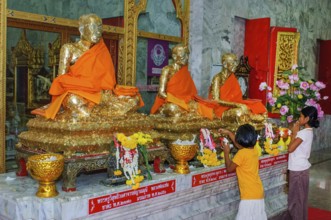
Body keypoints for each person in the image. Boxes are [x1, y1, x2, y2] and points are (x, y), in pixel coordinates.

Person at [32, 13, 116, 119]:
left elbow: (108, 80)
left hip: (98, 93)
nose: (98, 31)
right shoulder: (70, 48)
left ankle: (93, 114)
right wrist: (80, 86)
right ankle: (97, 115)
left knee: (132, 98)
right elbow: (61, 79)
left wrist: (107, 94)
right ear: (81, 29)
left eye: (100, 27)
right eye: (93, 27)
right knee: (73, 100)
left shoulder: (101, 50)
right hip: (77, 94)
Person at [150, 44, 216, 119]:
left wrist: (189, 102)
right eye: (184, 56)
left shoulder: (185, 71)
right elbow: (161, 93)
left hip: (185, 101)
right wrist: (176, 101)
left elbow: (190, 93)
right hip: (170, 101)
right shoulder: (167, 70)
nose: (187, 58)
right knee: (174, 109)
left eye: (188, 56)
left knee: (205, 110)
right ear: (174, 57)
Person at [219, 124, 267, 220]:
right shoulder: (254, 150)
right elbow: (239, 145)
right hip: (257, 191)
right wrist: (229, 133)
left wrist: (226, 153)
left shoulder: (241, 154)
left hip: (249, 195)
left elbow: (229, 169)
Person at [209, 53, 267, 125]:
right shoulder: (218, 78)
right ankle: (251, 121)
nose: (236, 65)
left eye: (236, 62)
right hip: (221, 109)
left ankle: (252, 121)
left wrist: (240, 104)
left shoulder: (232, 77)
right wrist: (237, 105)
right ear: (225, 64)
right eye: (233, 63)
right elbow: (216, 100)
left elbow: (237, 97)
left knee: (261, 108)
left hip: (234, 106)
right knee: (239, 112)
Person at [286, 106, 319, 220]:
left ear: (307, 118)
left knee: (295, 201)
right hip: (302, 169)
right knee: (301, 200)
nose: (299, 118)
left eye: (300, 116)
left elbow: (290, 149)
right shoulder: (308, 132)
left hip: (298, 171)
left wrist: (294, 133)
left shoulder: (302, 133)